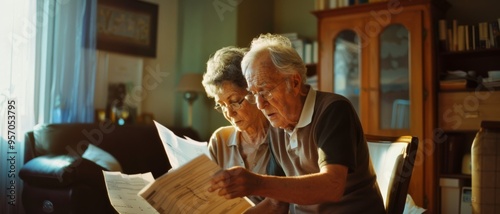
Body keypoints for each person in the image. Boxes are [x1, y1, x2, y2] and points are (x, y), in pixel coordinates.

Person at [208, 34, 386, 213]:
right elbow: (276, 203)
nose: (261, 105)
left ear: (294, 82)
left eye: (265, 91)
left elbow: (332, 185)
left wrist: (257, 183)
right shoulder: (277, 126)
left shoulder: (333, 111)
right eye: (254, 94)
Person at [202, 46, 288, 213]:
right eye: (221, 105)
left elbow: (280, 205)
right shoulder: (220, 140)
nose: (229, 113)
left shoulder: (283, 135)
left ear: (255, 92)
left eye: (235, 101)